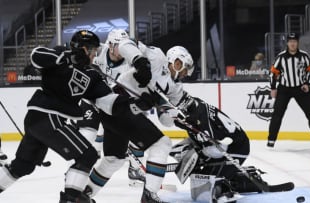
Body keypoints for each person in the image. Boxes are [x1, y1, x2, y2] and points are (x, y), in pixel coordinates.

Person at [0, 30, 140, 203]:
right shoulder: (61, 55)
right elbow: (36, 55)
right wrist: (68, 56)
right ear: (84, 49)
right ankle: (71, 200)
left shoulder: (93, 75)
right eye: (94, 51)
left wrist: (137, 103)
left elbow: (108, 102)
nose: (95, 55)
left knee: (22, 166)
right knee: (87, 155)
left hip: (44, 121)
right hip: (47, 117)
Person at [82, 29, 192, 203]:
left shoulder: (176, 90)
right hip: (118, 103)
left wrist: (170, 112)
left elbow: (166, 121)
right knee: (162, 144)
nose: (181, 71)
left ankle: (83, 195)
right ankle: (150, 196)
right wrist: (140, 63)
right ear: (172, 59)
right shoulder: (157, 57)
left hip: (119, 113)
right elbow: (124, 43)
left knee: (113, 159)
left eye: (185, 70)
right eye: (179, 65)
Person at [158, 95, 258, 202]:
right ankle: (229, 176)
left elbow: (219, 148)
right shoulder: (192, 108)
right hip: (222, 144)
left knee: (208, 187)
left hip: (236, 149)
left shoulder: (201, 120)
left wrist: (200, 157)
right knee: (181, 153)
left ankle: (236, 181)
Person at [267, 33, 310, 147]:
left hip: (301, 88)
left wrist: (307, 83)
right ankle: (271, 140)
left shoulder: (304, 55)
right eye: (290, 41)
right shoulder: (281, 56)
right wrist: (273, 88)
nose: (292, 43)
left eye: (294, 41)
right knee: (277, 114)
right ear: (287, 43)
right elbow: (273, 73)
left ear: (297, 42)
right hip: (284, 89)